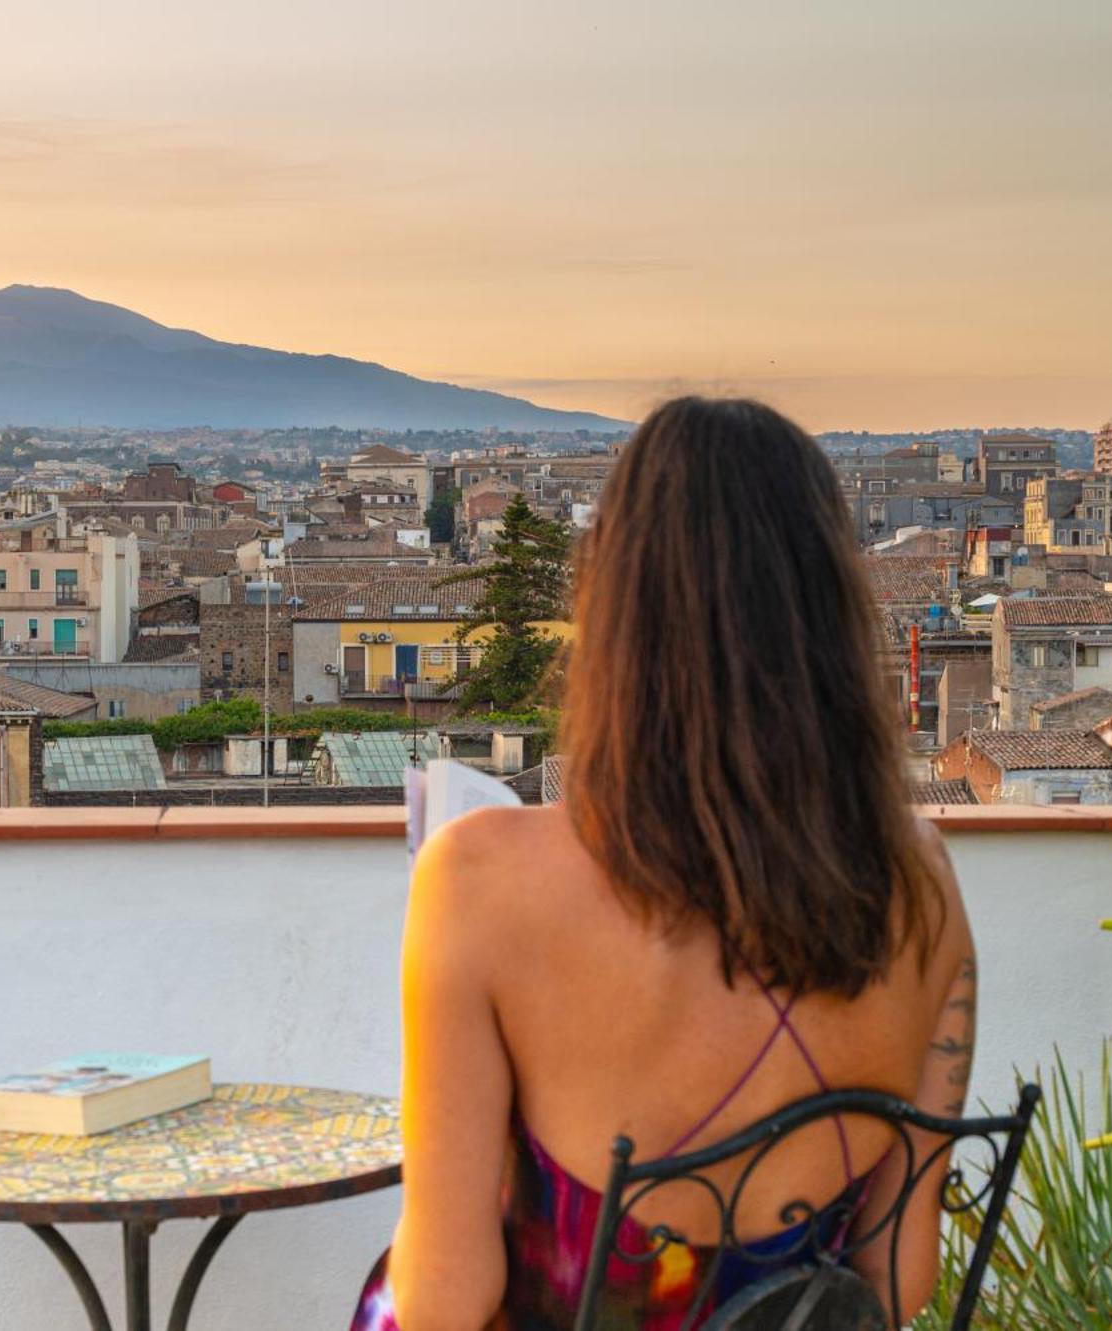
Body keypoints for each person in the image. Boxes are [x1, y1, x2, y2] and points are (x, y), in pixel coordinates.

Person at [354, 397, 978, 1331]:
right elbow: (899, 1275)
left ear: (615, 608)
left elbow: (445, 1302)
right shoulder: (919, 881)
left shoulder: (479, 877)